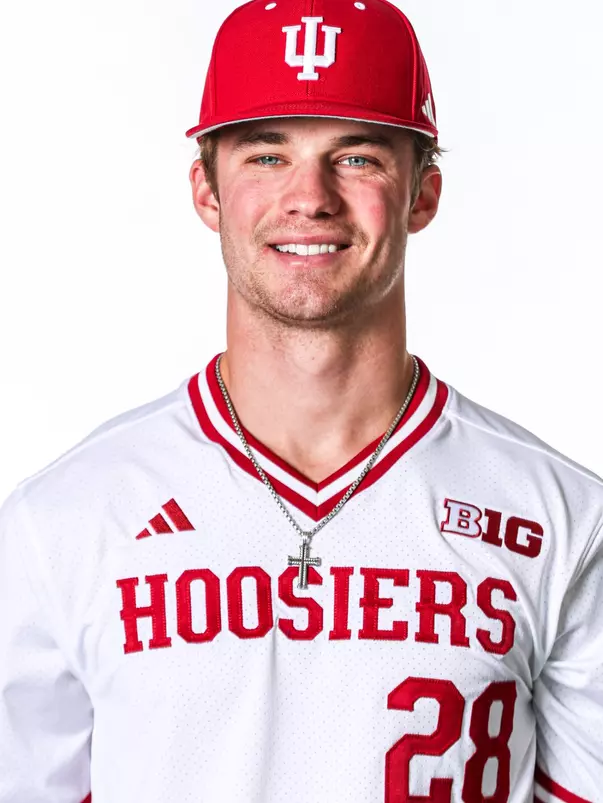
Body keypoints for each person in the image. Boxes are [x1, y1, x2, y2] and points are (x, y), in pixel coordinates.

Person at [0, 0, 601, 800]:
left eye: (356, 157)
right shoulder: (62, 522)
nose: (310, 197)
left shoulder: (560, 516)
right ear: (206, 192)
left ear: (423, 194)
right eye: (266, 156)